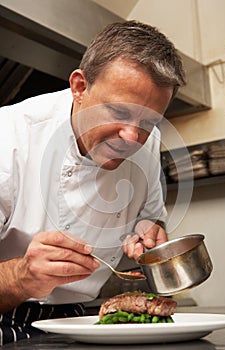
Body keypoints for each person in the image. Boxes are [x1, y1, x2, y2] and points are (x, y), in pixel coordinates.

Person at [0, 20, 185, 344]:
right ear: (79, 87)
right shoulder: (10, 137)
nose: (132, 136)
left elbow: (149, 219)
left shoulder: (149, 142)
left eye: (149, 121)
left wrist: (147, 235)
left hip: (80, 319)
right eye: (118, 112)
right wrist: (21, 277)